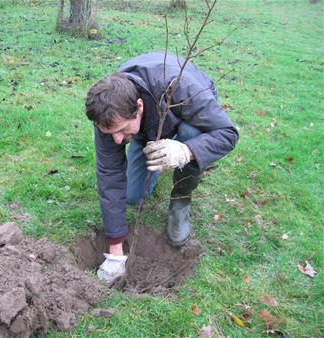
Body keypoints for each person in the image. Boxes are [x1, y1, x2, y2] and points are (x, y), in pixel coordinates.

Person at [85, 52, 239, 284]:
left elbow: (227, 134)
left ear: (138, 107)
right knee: (132, 194)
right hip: (148, 126)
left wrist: (185, 151)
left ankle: (180, 203)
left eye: (122, 130)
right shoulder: (108, 111)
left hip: (188, 113)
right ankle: (150, 149)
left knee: (191, 134)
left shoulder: (182, 88)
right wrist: (115, 250)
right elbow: (109, 174)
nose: (117, 140)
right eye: (111, 133)